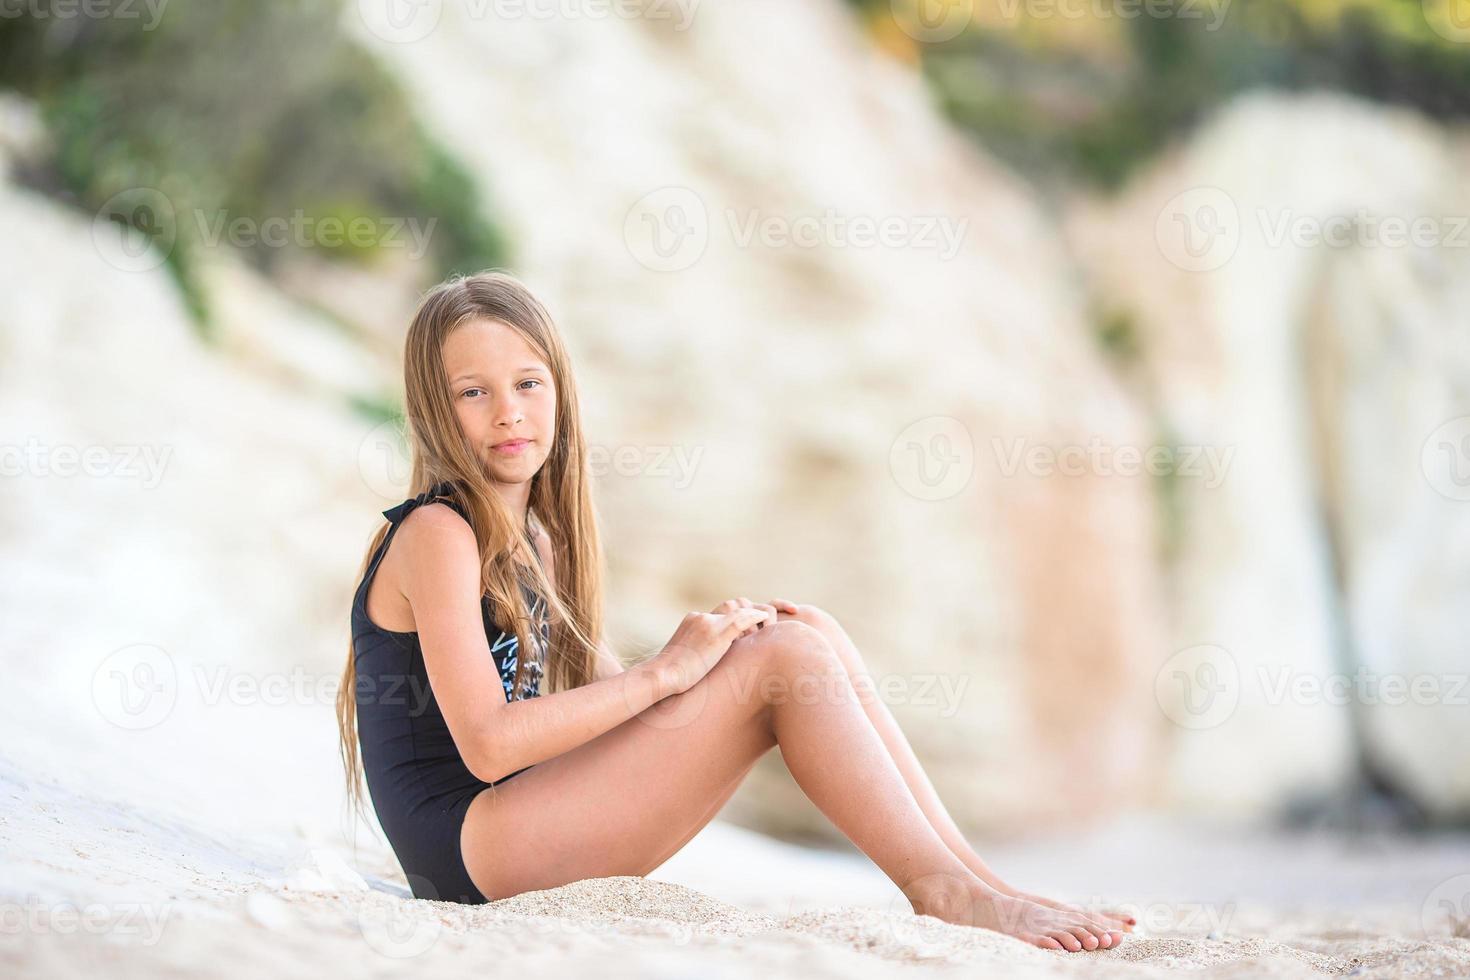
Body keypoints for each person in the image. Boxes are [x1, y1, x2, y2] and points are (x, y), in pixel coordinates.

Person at [335, 270, 1134, 951]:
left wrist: (713, 657)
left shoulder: (532, 542)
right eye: (473, 393)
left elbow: (602, 712)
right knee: (787, 662)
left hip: (506, 830)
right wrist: (669, 673)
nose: (508, 412)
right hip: (469, 849)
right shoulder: (437, 533)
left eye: (527, 384)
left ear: (560, 391)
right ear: (436, 411)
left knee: (805, 633)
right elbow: (486, 744)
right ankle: (945, 892)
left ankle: (973, 881)